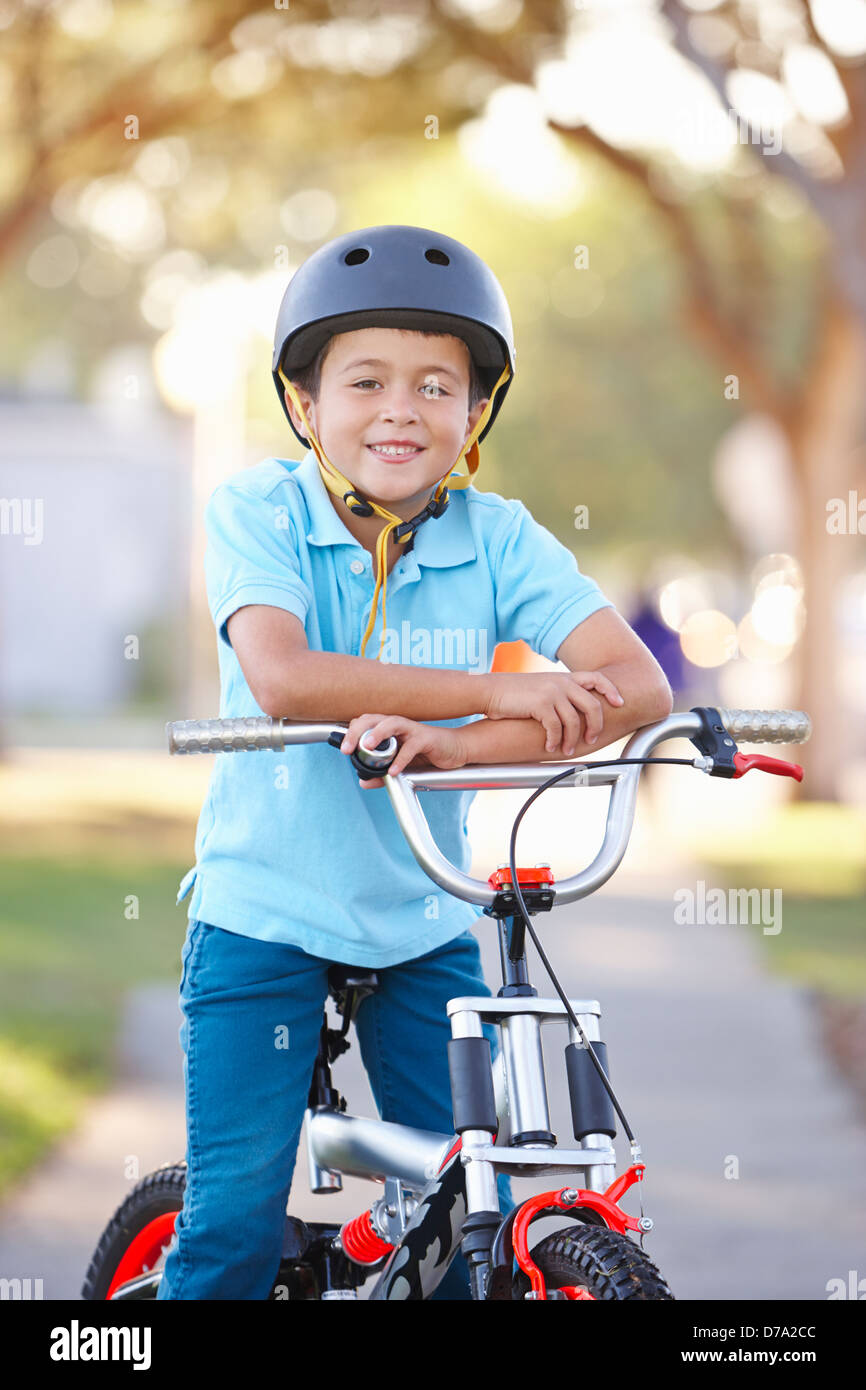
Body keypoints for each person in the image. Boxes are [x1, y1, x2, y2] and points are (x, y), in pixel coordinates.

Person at [157, 224, 672, 1301]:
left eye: (438, 384)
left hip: (423, 917)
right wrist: (498, 687)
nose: (402, 408)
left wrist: (456, 743)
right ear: (304, 403)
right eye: (366, 380)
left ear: (474, 413)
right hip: (265, 912)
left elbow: (636, 690)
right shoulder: (262, 509)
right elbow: (287, 678)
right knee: (233, 1232)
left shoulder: (500, 537)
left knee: (464, 1212)